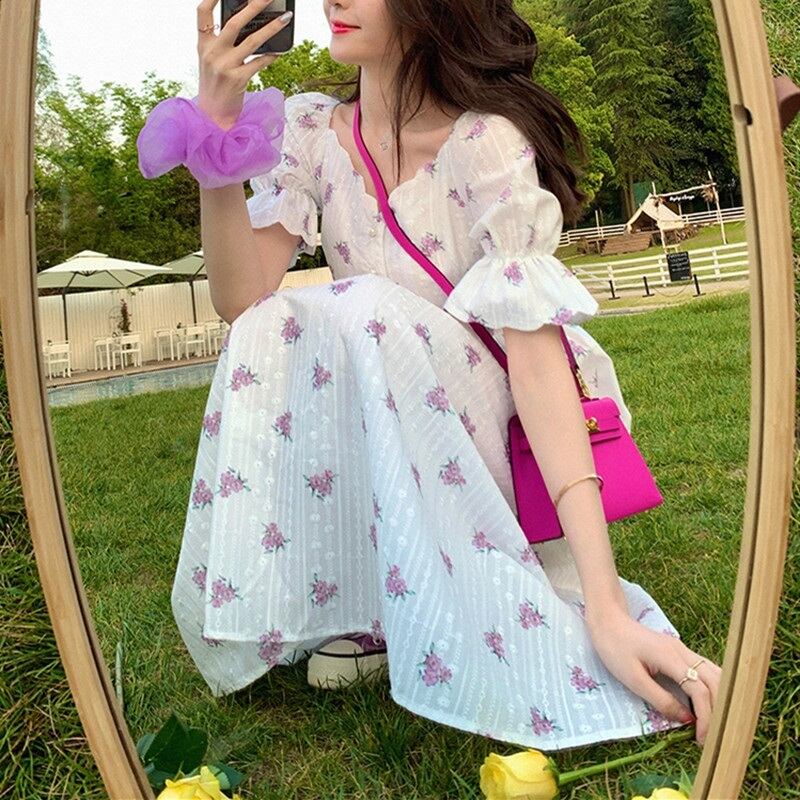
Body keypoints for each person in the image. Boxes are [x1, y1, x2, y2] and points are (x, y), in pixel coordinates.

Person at [170, 0, 722, 751]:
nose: (334, 1)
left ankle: (460, 584)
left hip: (496, 442)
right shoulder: (310, 133)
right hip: (400, 433)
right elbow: (241, 302)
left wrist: (605, 606)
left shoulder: (483, 143)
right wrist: (216, 133)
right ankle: (377, 598)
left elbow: (536, 362)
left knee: (362, 306)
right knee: (280, 321)